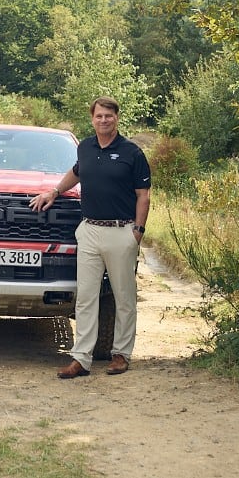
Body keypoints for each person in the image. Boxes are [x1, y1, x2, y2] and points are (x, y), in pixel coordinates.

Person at [30, 96, 151, 379]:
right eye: (99, 116)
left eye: (109, 116)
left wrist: (138, 232)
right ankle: (81, 359)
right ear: (92, 118)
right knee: (85, 298)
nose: (104, 120)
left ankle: (121, 354)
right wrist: (54, 192)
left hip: (122, 232)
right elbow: (76, 172)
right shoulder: (84, 147)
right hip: (89, 231)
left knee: (123, 297)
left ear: (117, 118)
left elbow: (143, 196)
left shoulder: (132, 153)